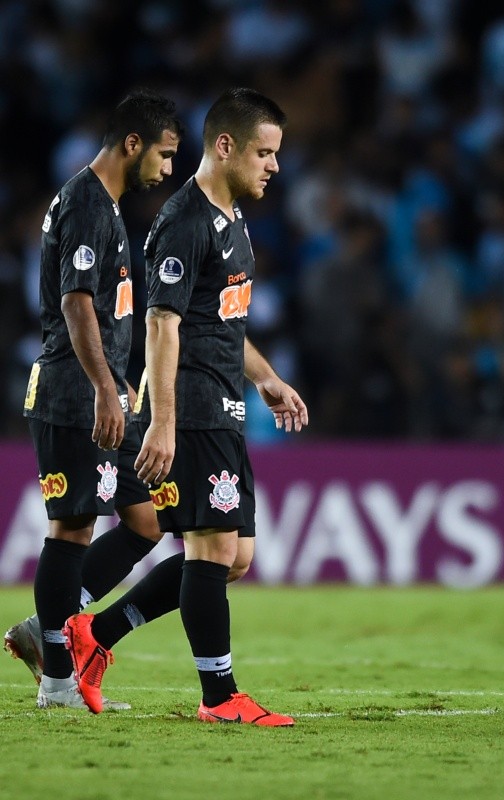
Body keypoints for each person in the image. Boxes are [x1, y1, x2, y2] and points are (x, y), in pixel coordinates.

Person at [63, 88, 308, 727]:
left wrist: (266, 379)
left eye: (276, 154)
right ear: (224, 147)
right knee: (211, 548)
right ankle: (219, 697)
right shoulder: (186, 220)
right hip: (191, 406)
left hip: (224, 401)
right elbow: (163, 323)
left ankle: (96, 636)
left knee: (235, 559)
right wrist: (164, 422)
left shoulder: (233, 221)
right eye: (264, 152)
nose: (273, 166)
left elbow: (219, 323)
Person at [8, 91, 184, 710]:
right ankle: (58, 677)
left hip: (102, 390)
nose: (168, 170)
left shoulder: (101, 205)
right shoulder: (87, 202)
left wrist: (119, 380)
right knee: (72, 528)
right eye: (164, 155)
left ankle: (48, 627)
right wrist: (106, 387)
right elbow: (75, 303)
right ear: (132, 144)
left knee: (146, 521)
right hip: (73, 393)